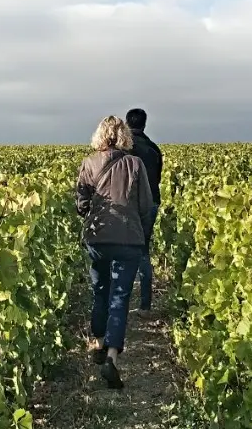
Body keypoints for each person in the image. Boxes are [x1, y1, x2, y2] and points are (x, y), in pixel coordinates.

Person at [75, 115, 154, 389]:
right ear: (123, 136)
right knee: (120, 297)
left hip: (97, 239)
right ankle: (111, 357)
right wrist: (142, 236)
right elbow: (145, 206)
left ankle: (97, 342)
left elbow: (81, 205)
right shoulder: (135, 163)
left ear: (100, 135)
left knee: (100, 290)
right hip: (128, 240)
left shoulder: (88, 163)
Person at [125, 107, 162, 311]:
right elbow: (157, 179)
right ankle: (145, 305)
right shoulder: (154, 148)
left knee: (123, 250)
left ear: (127, 124)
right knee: (143, 251)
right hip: (152, 203)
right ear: (145, 124)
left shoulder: (124, 150)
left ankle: (120, 299)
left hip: (130, 205)